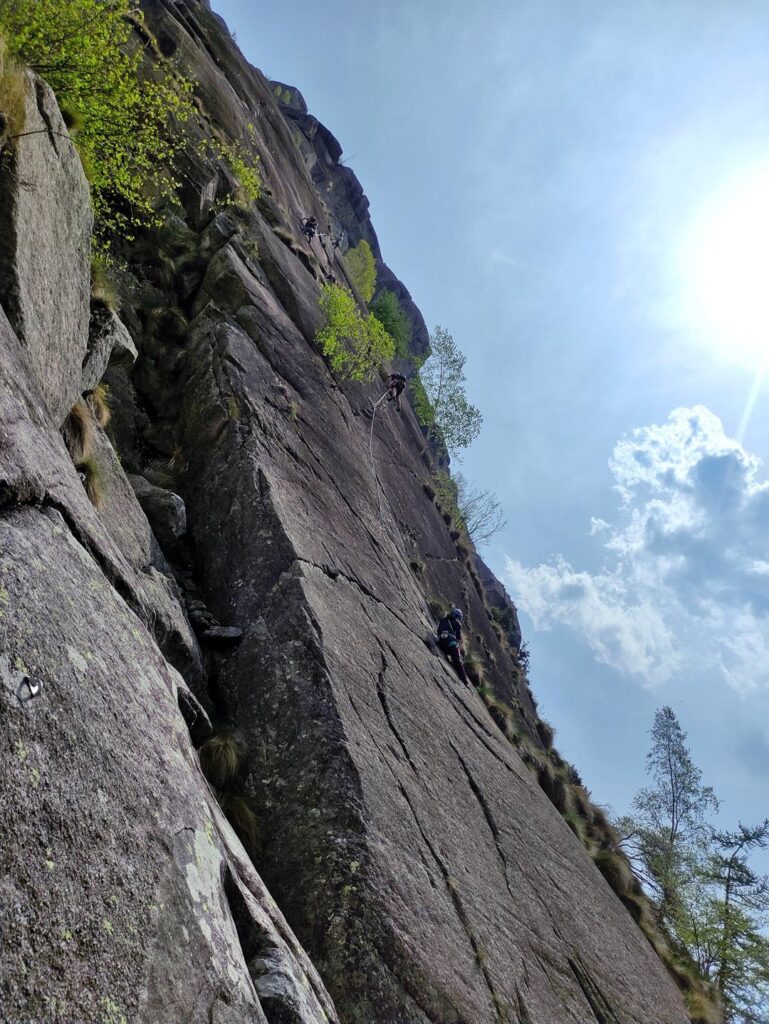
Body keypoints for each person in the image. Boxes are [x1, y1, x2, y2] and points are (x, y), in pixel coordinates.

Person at [436, 607, 469, 685]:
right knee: (458, 660)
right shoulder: (457, 624)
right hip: (451, 644)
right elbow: (458, 637)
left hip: (441, 642)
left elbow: (438, 631)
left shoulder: (443, 619)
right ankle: (464, 680)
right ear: (457, 617)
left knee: (454, 654)